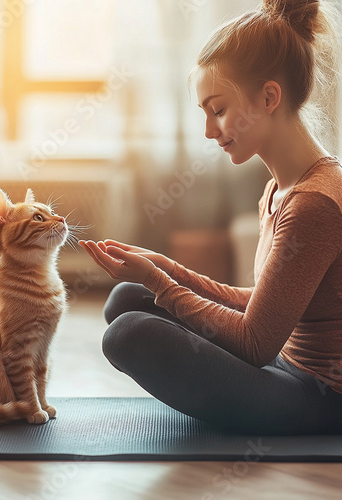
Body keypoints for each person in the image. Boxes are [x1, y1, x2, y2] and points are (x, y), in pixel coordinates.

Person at [79, 0, 342, 435]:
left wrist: (162, 283)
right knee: (126, 298)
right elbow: (263, 304)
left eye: (217, 110)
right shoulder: (279, 189)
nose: (208, 131)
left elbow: (256, 343)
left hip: (323, 397)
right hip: (285, 362)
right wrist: (163, 269)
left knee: (127, 334)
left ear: (269, 97)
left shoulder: (314, 203)